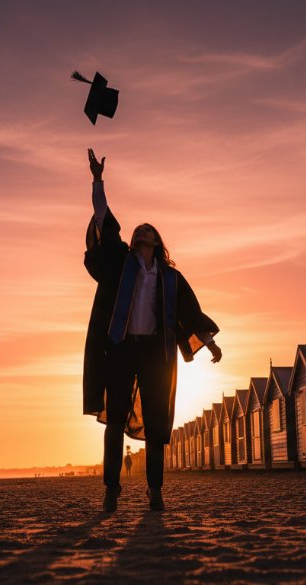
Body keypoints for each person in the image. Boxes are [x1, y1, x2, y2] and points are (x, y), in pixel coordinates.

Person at [82, 148, 222, 513]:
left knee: (157, 425)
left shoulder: (171, 278)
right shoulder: (121, 265)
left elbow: (190, 314)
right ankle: (111, 489)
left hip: (155, 355)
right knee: (114, 421)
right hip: (121, 348)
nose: (142, 231)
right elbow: (105, 222)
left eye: (149, 230)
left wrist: (208, 343)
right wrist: (98, 181)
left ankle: (155, 490)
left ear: (158, 242)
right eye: (139, 230)